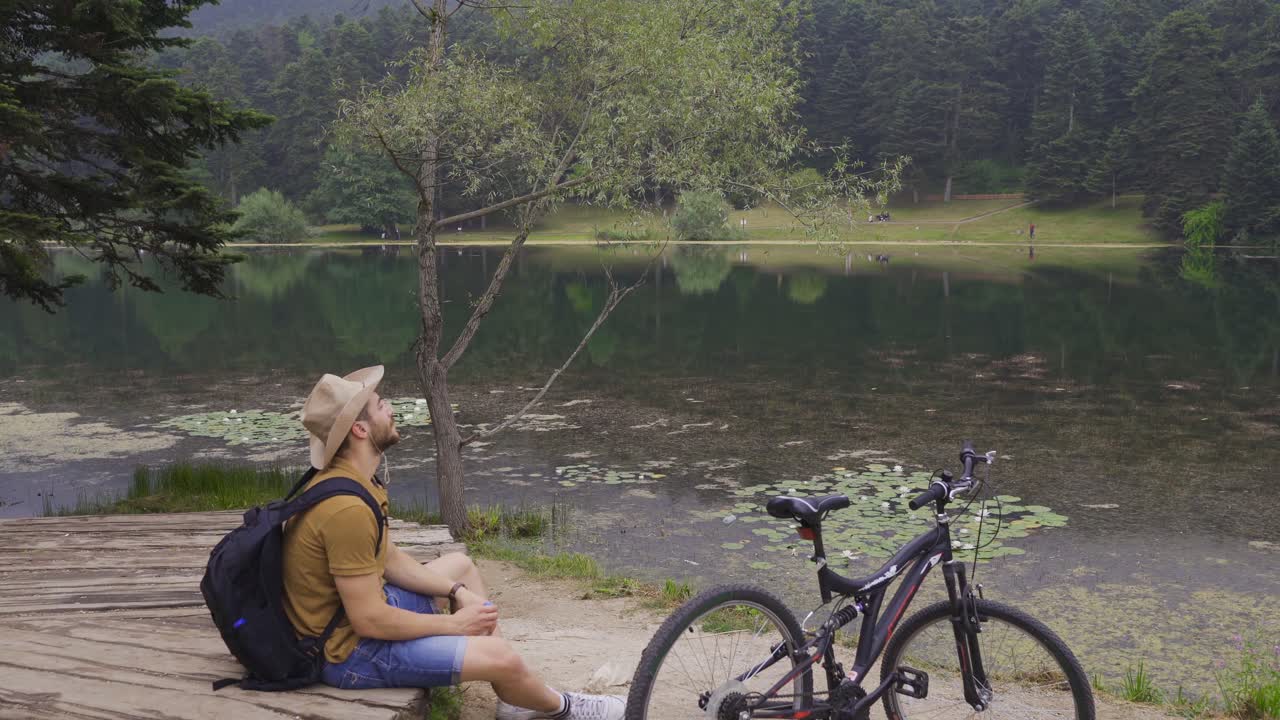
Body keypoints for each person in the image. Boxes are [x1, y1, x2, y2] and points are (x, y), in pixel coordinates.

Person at [286, 366, 624, 720]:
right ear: (360, 429)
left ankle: (514, 699)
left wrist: (456, 592)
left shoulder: (352, 483)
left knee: (460, 568)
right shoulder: (346, 510)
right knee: (503, 658)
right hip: (350, 656)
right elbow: (370, 620)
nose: (392, 409)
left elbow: (391, 561)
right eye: (381, 404)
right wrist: (456, 625)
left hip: (353, 625)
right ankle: (565, 708)